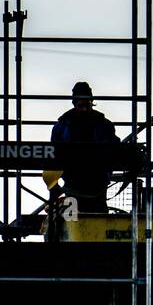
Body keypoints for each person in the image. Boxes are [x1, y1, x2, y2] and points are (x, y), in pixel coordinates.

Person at [50, 81, 120, 217]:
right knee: (77, 223)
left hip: (94, 182)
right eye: (81, 106)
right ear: (74, 103)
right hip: (75, 182)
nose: (84, 109)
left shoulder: (63, 126)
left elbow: (113, 150)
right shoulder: (63, 126)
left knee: (89, 222)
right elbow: (53, 157)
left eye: (86, 105)